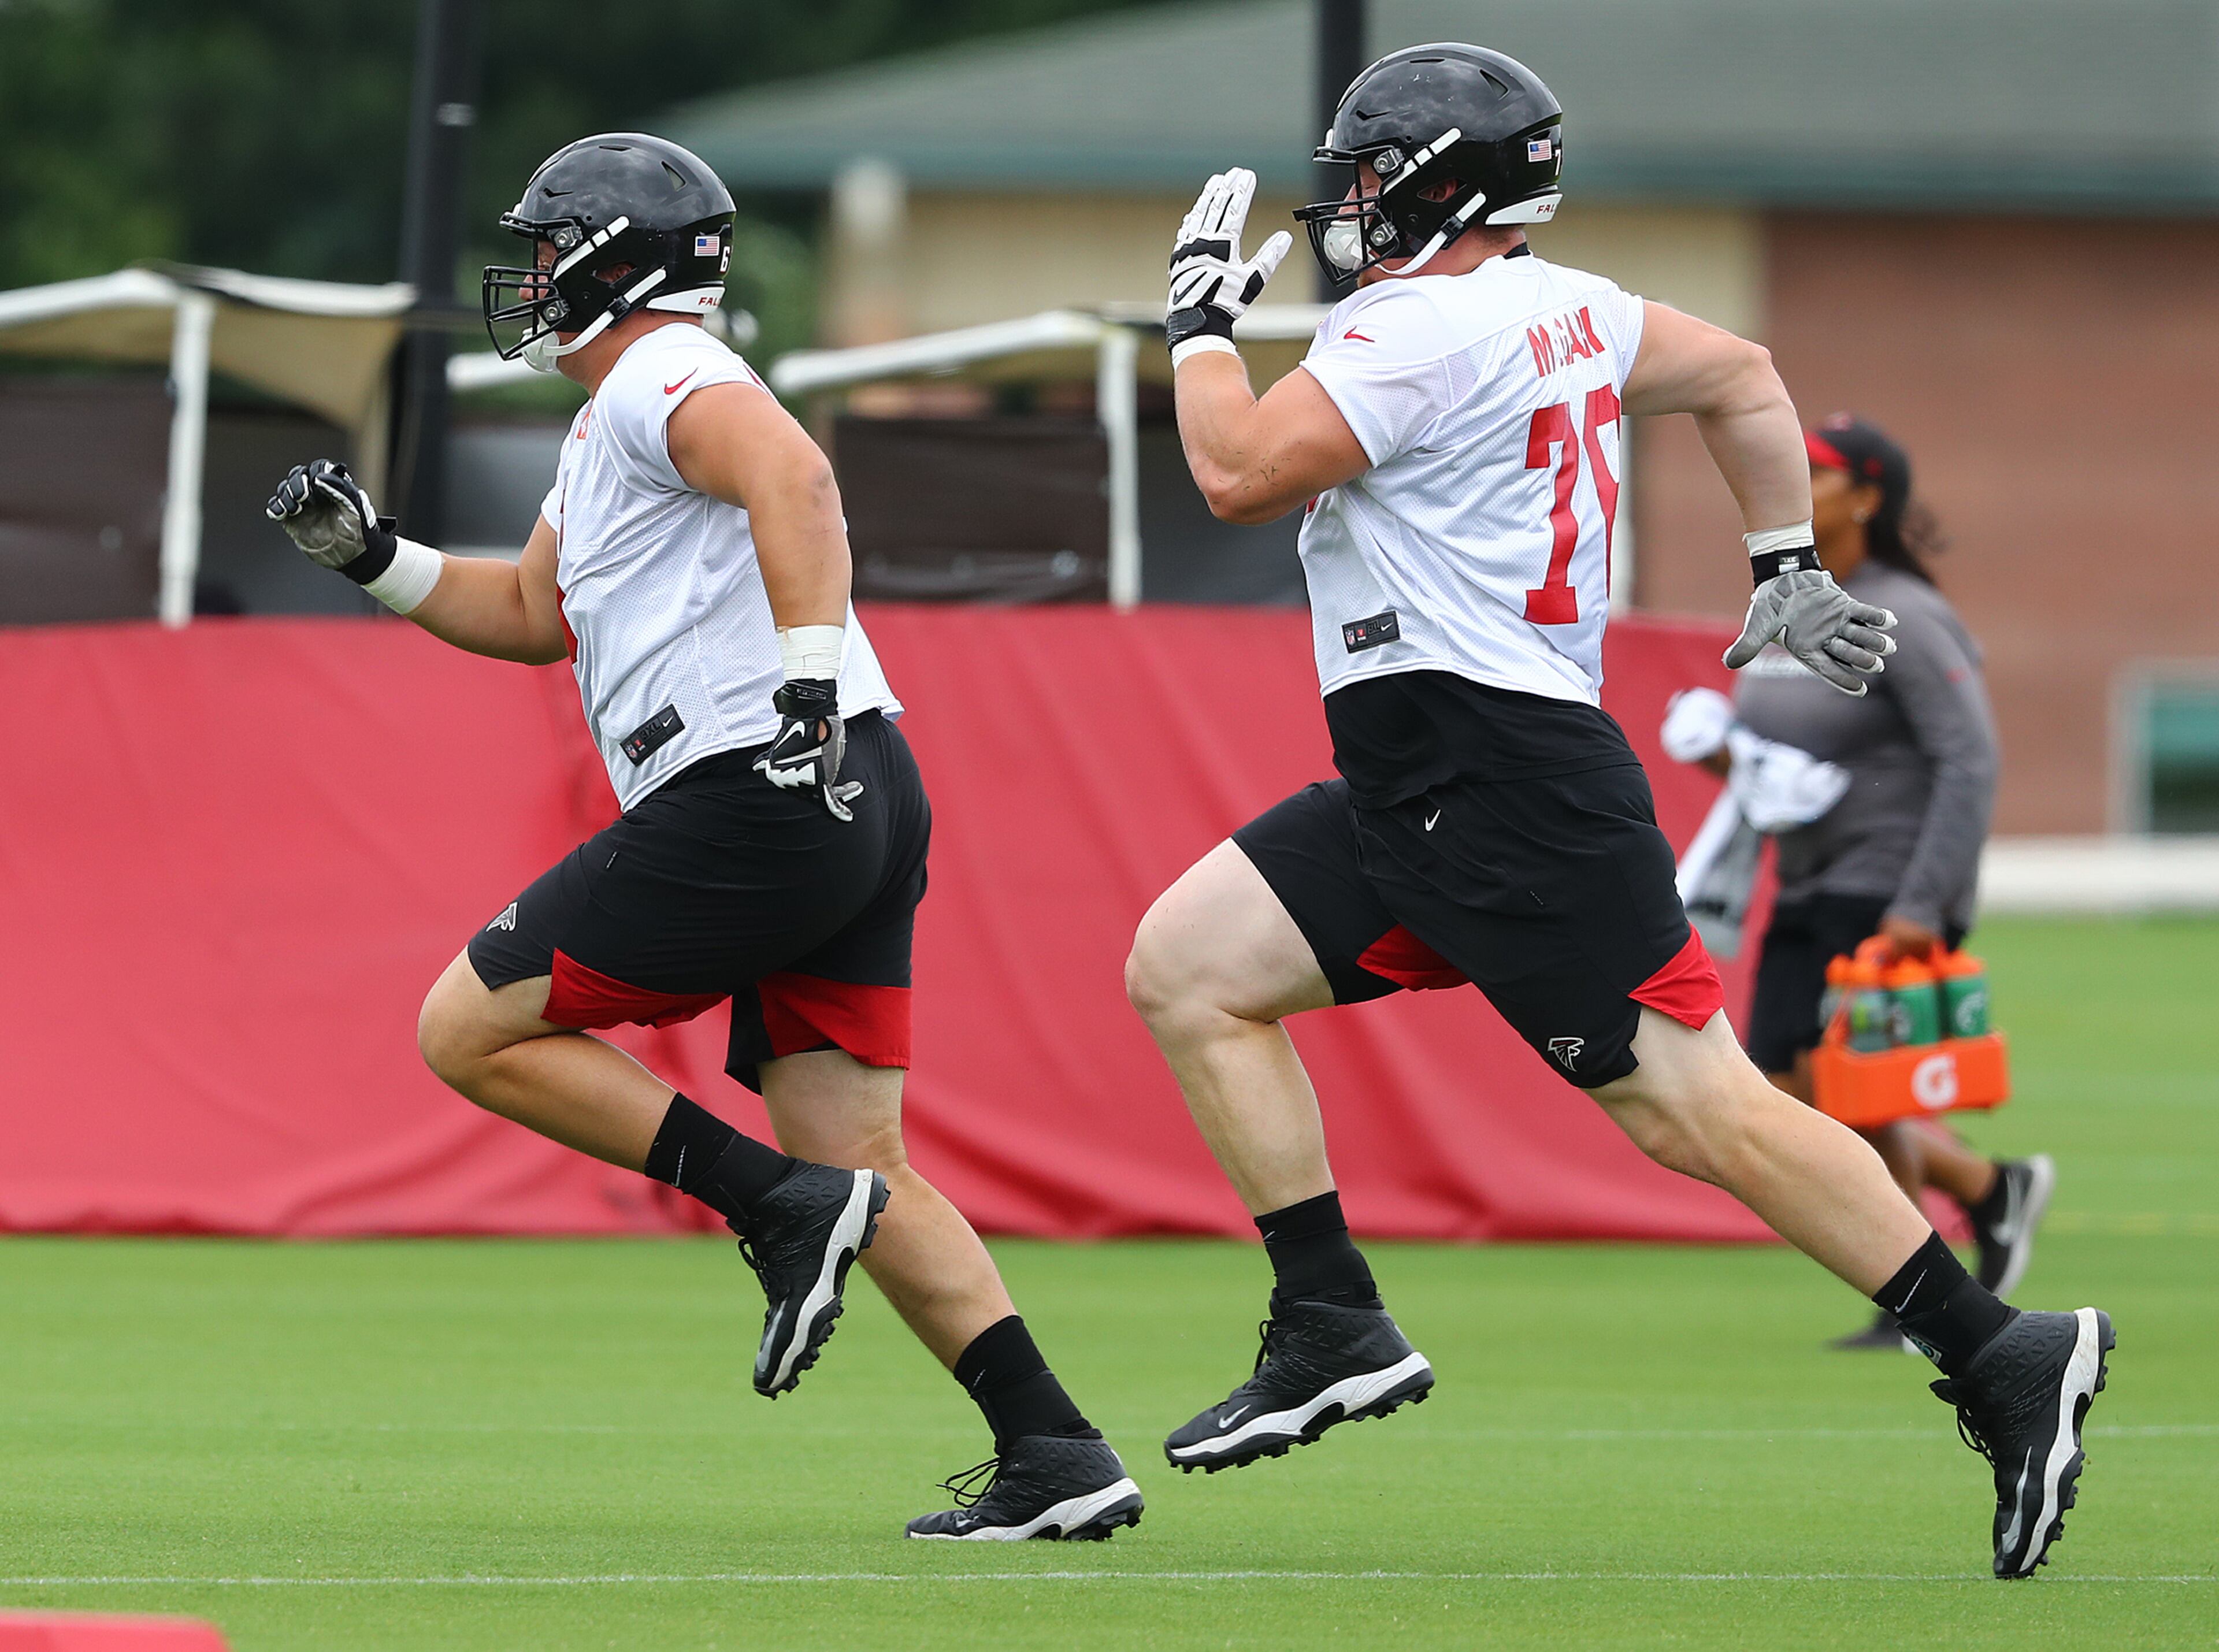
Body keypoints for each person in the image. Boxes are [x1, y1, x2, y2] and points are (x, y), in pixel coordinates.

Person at [1123, 45, 2108, 1577]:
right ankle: (1330, 1317)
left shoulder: (1423, 324)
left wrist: (1194, 327)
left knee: (1695, 1104)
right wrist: (1784, 565)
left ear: (1439, 184)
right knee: (1189, 964)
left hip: (1495, 773)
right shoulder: (1563, 305)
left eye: (1374, 173)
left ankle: (2000, 1352)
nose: (1353, 201)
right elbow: (1740, 372)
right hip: (1432, 768)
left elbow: (1237, 471)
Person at [266, 133, 1141, 1543]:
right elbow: (535, 617)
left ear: (620, 263)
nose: (534, 278)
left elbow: (796, 480)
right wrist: (378, 558)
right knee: (863, 1159)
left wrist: (800, 669)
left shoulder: (666, 371)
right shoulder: (618, 410)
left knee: (468, 1026)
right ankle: (1052, 1443)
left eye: (551, 251)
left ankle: (770, 1206)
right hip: (852, 775)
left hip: (764, 774)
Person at [1723, 415, 2053, 1347]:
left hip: (1882, 884)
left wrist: (1922, 904)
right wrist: (1723, 753)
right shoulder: (1792, 601)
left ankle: (1920, 1295)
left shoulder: (1908, 607)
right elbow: (1786, 740)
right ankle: (1989, 1190)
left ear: (1866, 497)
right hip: (1804, 877)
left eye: (1817, 473)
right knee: (1786, 1086)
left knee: (1848, 1090)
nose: (1795, 481)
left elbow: (1970, 759)